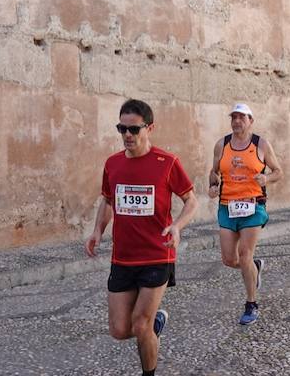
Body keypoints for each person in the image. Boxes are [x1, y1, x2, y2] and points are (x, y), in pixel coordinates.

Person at [85, 99, 199, 376]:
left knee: (139, 326)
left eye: (134, 129)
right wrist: (98, 230)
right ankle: (156, 322)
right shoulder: (112, 164)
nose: (127, 135)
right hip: (123, 257)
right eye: (121, 128)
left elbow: (191, 201)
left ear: (149, 128)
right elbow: (108, 200)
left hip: (157, 254)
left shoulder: (167, 162)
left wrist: (177, 227)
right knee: (119, 330)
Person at [208, 103, 283, 325]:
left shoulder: (261, 144)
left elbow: (279, 171)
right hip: (227, 206)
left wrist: (266, 178)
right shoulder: (221, 144)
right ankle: (254, 268)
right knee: (229, 259)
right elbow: (214, 172)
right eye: (234, 117)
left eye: (242, 117)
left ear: (251, 120)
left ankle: (251, 304)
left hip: (253, 205)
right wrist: (212, 185)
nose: (237, 121)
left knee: (244, 253)